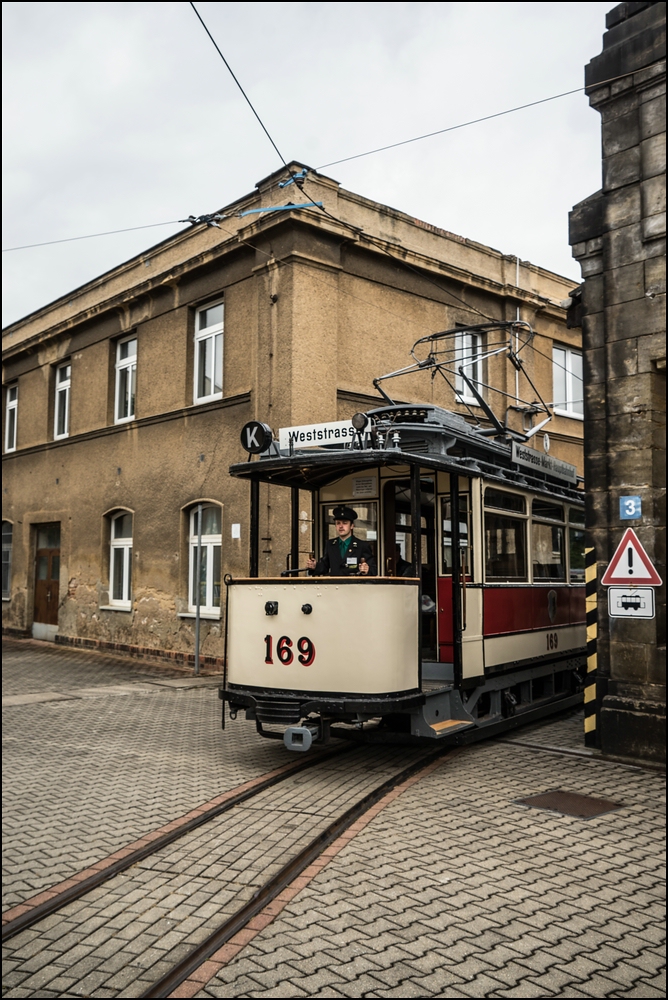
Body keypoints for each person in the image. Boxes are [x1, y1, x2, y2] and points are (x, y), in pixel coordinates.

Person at [307, 505, 377, 576]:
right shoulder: (330, 544)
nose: (341, 526)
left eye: (345, 523)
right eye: (338, 523)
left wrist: (367, 569)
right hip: (335, 585)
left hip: (354, 585)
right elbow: (325, 566)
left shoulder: (362, 546)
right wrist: (315, 566)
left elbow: (373, 570)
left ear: (352, 526)